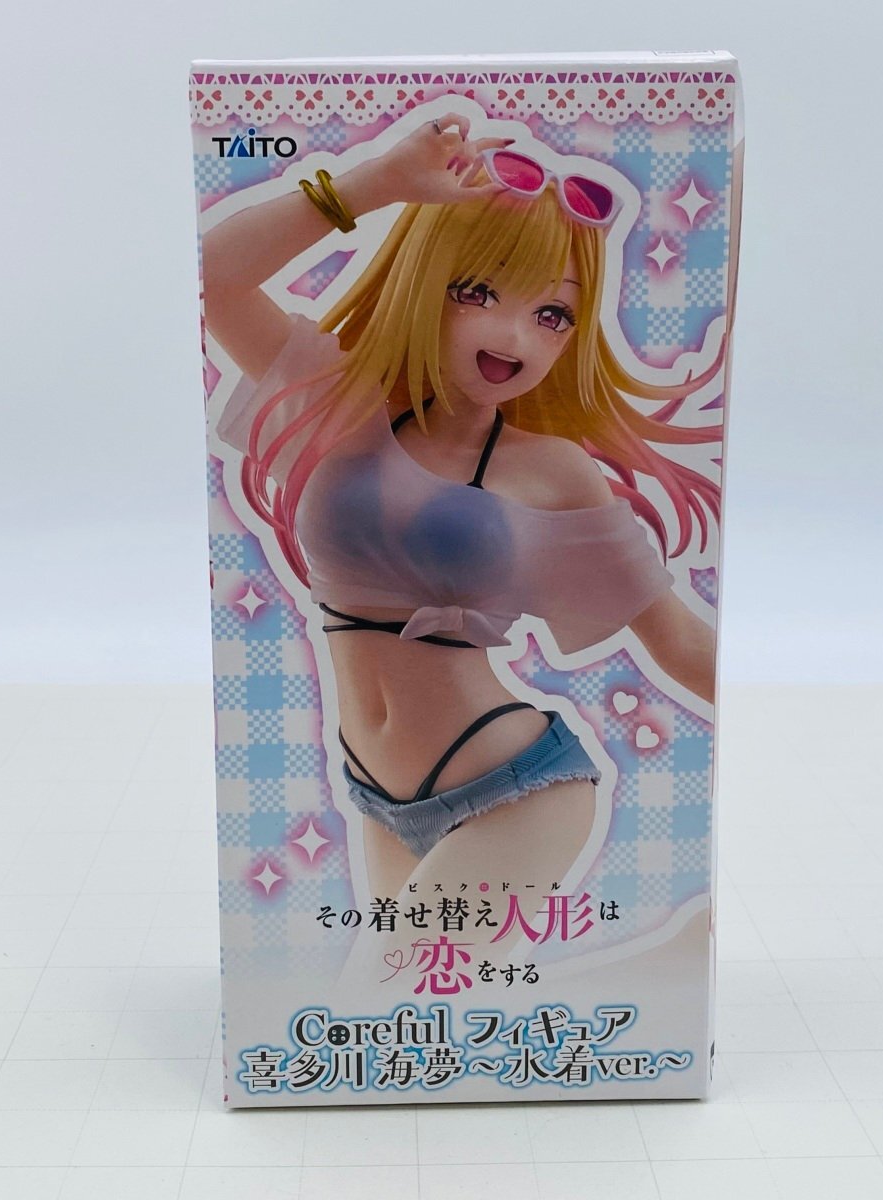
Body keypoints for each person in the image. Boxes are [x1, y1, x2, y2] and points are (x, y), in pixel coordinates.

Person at [202, 109, 723, 946]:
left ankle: (664, 977)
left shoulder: (550, 468)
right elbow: (214, 275)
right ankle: (659, 967)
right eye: (479, 291)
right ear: (426, 281)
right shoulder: (337, 400)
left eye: (553, 315)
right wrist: (375, 184)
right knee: (413, 1006)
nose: (514, 336)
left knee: (383, 994)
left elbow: (674, 639)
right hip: (375, 792)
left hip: (513, 784)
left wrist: (802, 720)